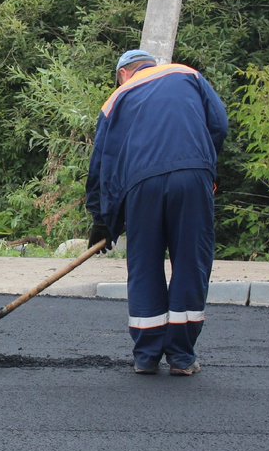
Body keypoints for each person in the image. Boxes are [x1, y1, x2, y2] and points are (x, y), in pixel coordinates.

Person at [86, 49, 229, 377]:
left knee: (144, 263)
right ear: (149, 65)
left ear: (123, 73)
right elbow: (219, 124)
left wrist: (101, 219)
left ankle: (146, 356)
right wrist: (204, 164)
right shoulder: (187, 74)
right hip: (192, 177)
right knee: (191, 261)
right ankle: (180, 356)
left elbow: (101, 164)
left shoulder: (117, 98)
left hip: (141, 185)